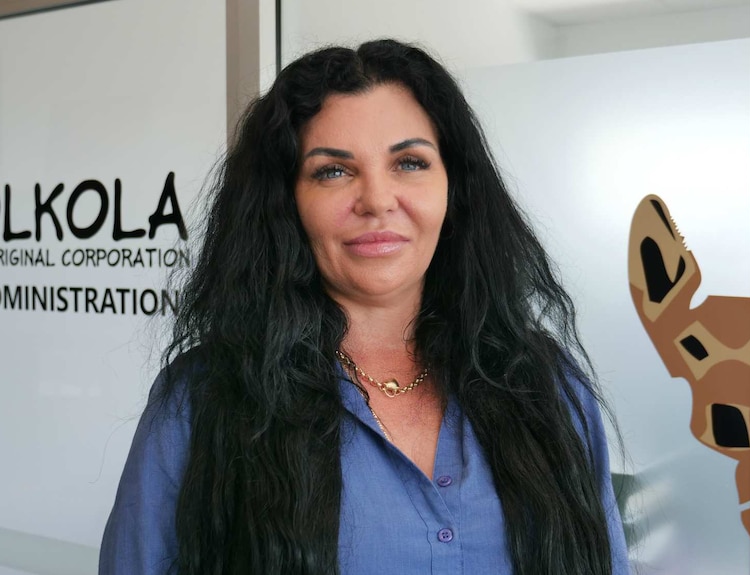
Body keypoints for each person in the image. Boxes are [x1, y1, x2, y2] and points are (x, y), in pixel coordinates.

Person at [99, 39, 629, 575]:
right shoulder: (201, 399)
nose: (377, 199)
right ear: (287, 204)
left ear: (455, 190)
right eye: (333, 171)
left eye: (409, 162)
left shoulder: (546, 385)